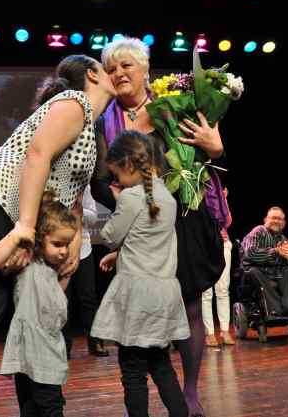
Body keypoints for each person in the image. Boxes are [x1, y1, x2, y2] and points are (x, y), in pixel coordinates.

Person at [0, 54, 116, 417]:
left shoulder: (91, 124)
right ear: (93, 74)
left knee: (30, 322)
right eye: (109, 67)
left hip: (30, 220)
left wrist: (74, 241)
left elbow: (72, 192)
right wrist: (25, 226)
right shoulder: (74, 102)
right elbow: (37, 156)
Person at [91, 37, 224, 417]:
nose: (118, 73)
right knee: (144, 311)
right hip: (141, 225)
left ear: (146, 69)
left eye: (126, 65)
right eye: (111, 69)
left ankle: (191, 391)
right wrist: (129, 204)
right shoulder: (104, 121)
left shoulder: (175, 104)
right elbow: (100, 180)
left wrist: (214, 146)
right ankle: (146, 391)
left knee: (190, 304)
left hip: (184, 218)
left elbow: (211, 151)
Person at [91, 131, 190, 417]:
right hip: (163, 293)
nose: (117, 180)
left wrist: (117, 200)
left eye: (117, 174)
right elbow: (150, 240)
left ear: (128, 165)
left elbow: (110, 236)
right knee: (160, 364)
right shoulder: (167, 198)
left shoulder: (131, 197)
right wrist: (120, 255)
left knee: (133, 370)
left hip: (138, 296)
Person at [0, 191, 77, 417]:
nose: (64, 251)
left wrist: (65, 276)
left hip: (47, 348)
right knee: (48, 406)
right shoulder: (28, 261)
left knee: (35, 406)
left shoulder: (52, 269)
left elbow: (53, 300)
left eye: (67, 244)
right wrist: (18, 234)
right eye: (57, 244)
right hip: (32, 348)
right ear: (40, 239)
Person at [62, 185, 109, 358]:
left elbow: (93, 218)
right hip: (59, 250)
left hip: (83, 249)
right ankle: (63, 345)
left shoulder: (84, 185)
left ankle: (95, 342)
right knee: (63, 299)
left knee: (88, 297)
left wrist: (80, 210)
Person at [241, 207, 288, 317]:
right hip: (257, 270)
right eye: (274, 218)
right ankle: (275, 309)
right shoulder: (259, 231)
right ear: (266, 219)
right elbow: (250, 253)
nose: (277, 221)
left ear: (284, 222)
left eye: (280, 219)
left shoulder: (282, 238)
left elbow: (286, 260)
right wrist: (275, 251)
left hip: (276, 272)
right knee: (254, 272)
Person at [202, 187, 234, 347]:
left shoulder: (219, 199)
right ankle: (209, 333)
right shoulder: (197, 199)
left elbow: (228, 221)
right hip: (204, 247)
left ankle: (225, 330)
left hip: (223, 244)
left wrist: (224, 200)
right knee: (206, 292)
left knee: (222, 289)